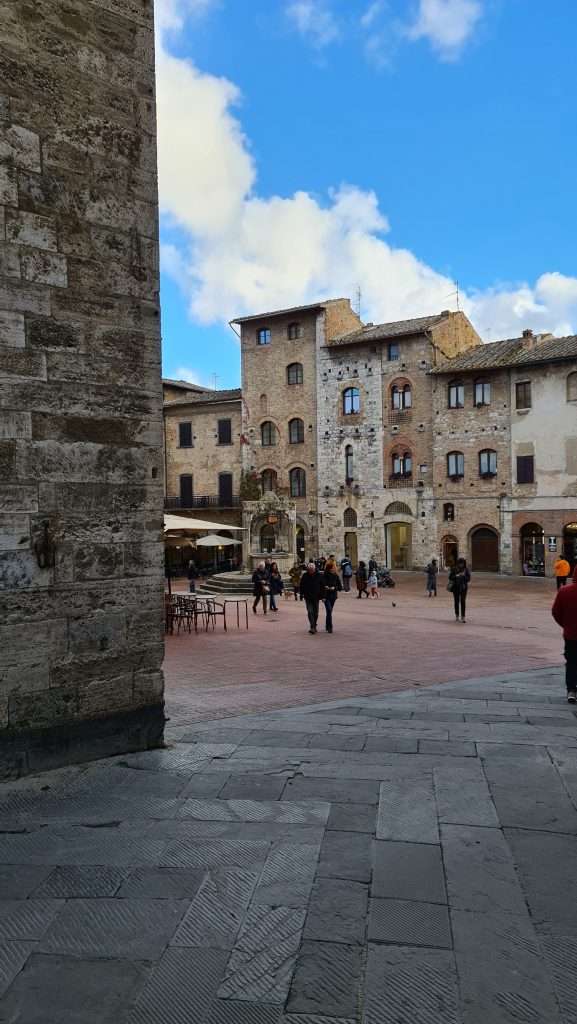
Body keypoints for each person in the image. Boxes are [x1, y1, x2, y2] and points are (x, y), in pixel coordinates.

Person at [552, 565, 577, 702]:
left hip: (571, 634)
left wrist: (566, 625)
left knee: (572, 662)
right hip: (570, 632)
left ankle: (571, 690)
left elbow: (556, 612)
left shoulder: (564, 591)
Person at [299, 561, 324, 634]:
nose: (310, 571)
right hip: (308, 597)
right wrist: (301, 594)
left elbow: (322, 586)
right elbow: (302, 585)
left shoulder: (319, 575)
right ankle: (312, 626)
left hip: (316, 597)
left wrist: (323, 596)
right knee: (310, 611)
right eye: (309, 570)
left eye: (312, 570)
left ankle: (314, 624)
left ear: (314, 569)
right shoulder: (305, 575)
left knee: (316, 612)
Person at [323, 558, 342, 633]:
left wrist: (335, 587)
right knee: (329, 610)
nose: (335, 569)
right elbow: (322, 585)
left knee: (329, 612)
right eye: (333, 568)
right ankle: (330, 627)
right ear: (329, 569)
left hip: (333, 596)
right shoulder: (324, 575)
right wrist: (326, 587)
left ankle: (327, 625)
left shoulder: (336, 576)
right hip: (326, 595)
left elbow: (340, 587)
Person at [448, 557, 471, 622]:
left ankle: (463, 616)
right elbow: (450, 577)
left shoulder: (466, 570)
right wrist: (457, 576)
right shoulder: (454, 569)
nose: (461, 565)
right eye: (460, 563)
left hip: (463, 588)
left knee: (463, 601)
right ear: (458, 563)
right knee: (456, 602)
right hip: (456, 587)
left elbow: (468, 579)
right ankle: (457, 615)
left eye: (462, 563)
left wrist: (463, 576)